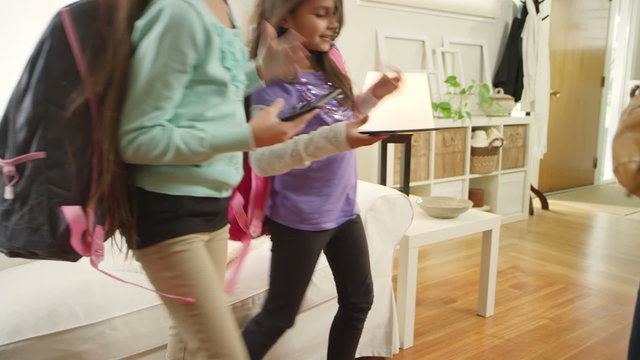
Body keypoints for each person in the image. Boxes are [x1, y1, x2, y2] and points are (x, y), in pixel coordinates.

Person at [117, 0, 317, 358]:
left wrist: (261, 69)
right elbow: (137, 140)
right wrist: (246, 137)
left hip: (212, 207)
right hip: (168, 213)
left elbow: (209, 90)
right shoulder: (176, 12)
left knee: (190, 342)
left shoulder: (222, 9)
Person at [240, 0, 402, 358]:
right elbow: (263, 160)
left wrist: (373, 97)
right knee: (278, 317)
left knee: (359, 301)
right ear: (285, 15)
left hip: (344, 208)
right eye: (320, 13)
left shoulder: (331, 60)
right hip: (301, 217)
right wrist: (340, 138)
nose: (333, 24)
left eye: (335, 14)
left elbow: (337, 116)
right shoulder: (272, 80)